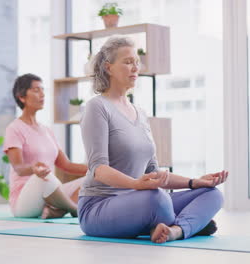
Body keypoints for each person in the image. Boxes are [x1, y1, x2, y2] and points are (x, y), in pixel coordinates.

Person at [78, 36, 228, 243]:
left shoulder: (139, 112)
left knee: (212, 194)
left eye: (137, 63)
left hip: (141, 200)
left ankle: (176, 230)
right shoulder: (97, 107)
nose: (135, 68)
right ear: (108, 67)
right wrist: (135, 184)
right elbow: (98, 169)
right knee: (157, 198)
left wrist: (194, 182)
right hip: (100, 207)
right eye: (128, 62)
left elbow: (154, 174)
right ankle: (191, 223)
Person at [4, 73, 87, 219]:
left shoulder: (47, 130)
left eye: (43, 90)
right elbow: (18, 168)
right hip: (24, 201)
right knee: (45, 177)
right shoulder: (14, 128)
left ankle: (55, 209)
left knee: (91, 179)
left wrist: (98, 169)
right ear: (21, 97)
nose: (42, 94)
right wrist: (34, 169)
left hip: (50, 191)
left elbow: (67, 165)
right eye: (36, 90)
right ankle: (72, 209)